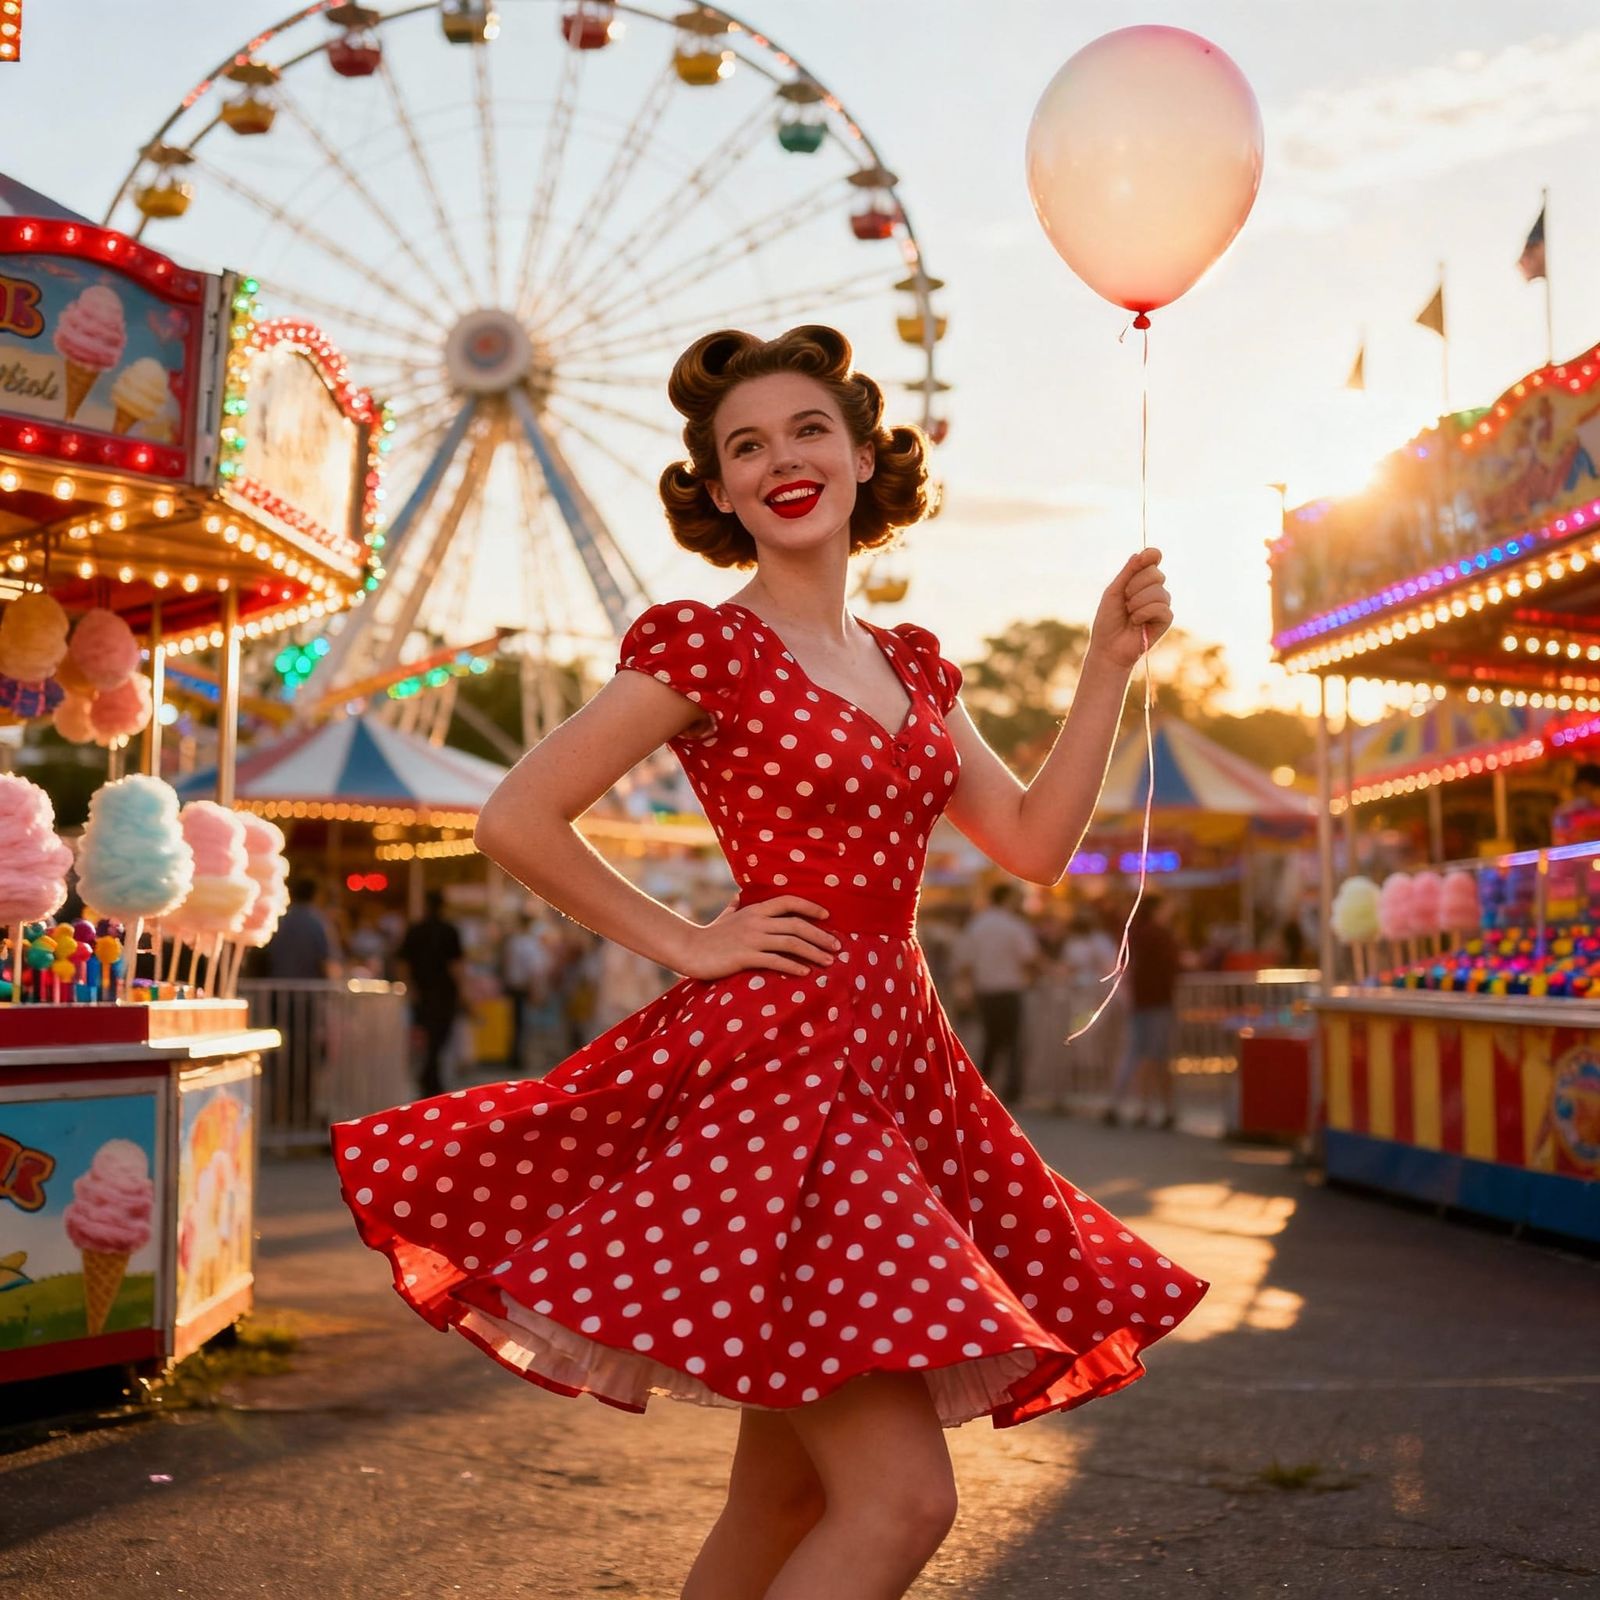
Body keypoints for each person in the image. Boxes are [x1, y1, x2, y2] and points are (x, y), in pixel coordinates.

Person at [330, 324, 1206, 1600]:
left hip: (900, 1064)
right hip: (782, 1074)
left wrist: (1105, 668)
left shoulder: (913, 664)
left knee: (784, 1498)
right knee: (902, 1500)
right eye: (746, 447)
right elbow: (517, 815)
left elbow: (1030, 843)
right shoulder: (708, 646)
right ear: (721, 491)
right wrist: (689, 940)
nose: (781, 460)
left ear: (863, 456)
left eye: (807, 431)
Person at [953, 883, 1040, 1104]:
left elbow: (966, 961)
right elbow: (1029, 958)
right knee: (1012, 1042)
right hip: (1010, 989)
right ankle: (1012, 1091)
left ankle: (983, 1087)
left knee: (990, 1040)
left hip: (985, 989)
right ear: (1007, 898)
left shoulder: (977, 924)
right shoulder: (1014, 925)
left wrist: (965, 988)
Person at [1104, 893, 1183, 1130]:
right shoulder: (1160, 935)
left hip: (1140, 1000)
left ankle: (1127, 1105)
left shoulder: (1136, 933)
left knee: (1136, 1053)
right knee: (1155, 1056)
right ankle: (1160, 1108)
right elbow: (1173, 965)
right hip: (1158, 1000)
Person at [395, 889, 464, 1099]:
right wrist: (463, 991)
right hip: (444, 992)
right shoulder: (449, 931)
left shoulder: (415, 930)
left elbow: (403, 962)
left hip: (422, 992)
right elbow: (455, 965)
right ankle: (430, 1079)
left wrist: (410, 987)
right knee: (439, 1037)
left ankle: (429, 1079)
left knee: (426, 1037)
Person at [500, 912, 551, 1070]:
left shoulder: (512, 942)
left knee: (516, 1023)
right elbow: (534, 970)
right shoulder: (530, 944)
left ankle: (515, 1056)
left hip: (513, 986)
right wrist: (536, 990)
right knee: (526, 1024)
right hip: (526, 987)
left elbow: (506, 965)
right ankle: (523, 1057)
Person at [262, 877, 335, 980]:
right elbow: (325, 961)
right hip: (308, 985)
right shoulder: (317, 922)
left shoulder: (280, 919)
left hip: (278, 983)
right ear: (316, 895)